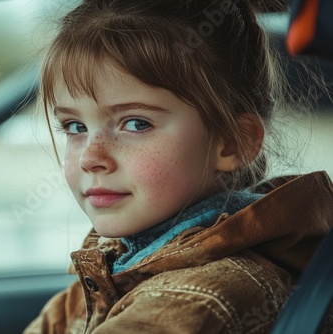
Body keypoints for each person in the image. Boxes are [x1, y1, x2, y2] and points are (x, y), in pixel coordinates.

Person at [25, 0, 333, 333]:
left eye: (136, 124)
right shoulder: (121, 264)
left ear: (233, 142)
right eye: (75, 127)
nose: (90, 157)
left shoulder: (195, 299)